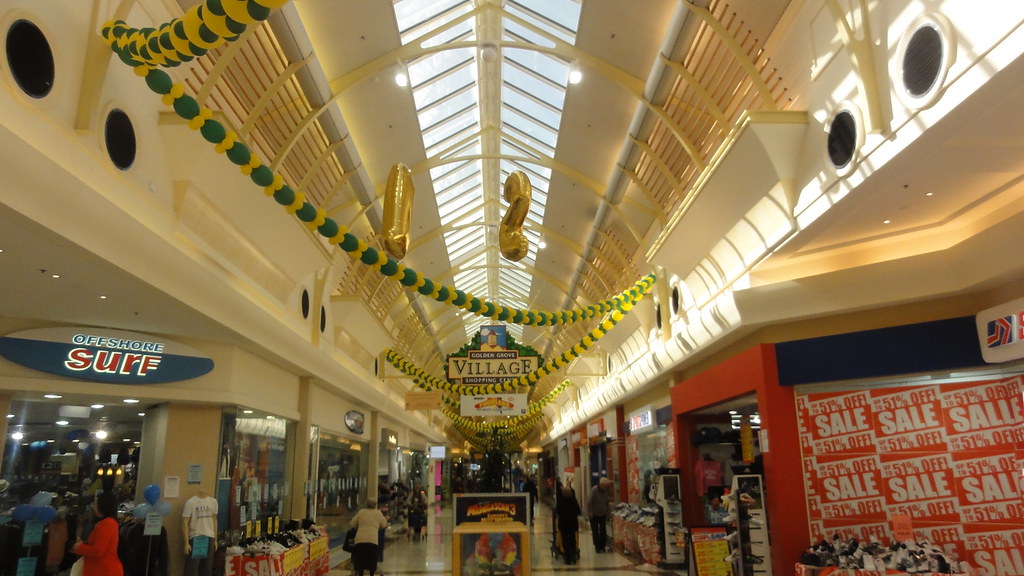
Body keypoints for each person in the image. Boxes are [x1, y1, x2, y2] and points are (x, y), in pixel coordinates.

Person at [72, 491, 123, 576]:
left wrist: (80, 547)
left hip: (104, 570)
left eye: (95, 503)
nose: (93, 506)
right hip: (102, 568)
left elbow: (98, 550)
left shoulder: (107, 524)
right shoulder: (109, 523)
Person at [182, 489, 218, 576]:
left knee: (207, 568)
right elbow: (184, 522)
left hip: (209, 537)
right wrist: (186, 543)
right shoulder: (190, 502)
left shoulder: (213, 502)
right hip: (196, 538)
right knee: (192, 569)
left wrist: (215, 539)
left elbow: (214, 520)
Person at [349, 498, 388, 576]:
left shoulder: (361, 512)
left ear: (366, 504)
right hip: (372, 540)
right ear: (375, 505)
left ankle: (360, 573)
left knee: (360, 560)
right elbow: (384, 524)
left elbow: (352, 524)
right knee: (372, 560)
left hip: (360, 540)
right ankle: (371, 574)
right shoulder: (378, 513)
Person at [554, 485, 581, 565]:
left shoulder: (560, 501)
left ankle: (567, 558)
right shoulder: (574, 501)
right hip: (572, 523)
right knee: (573, 539)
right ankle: (573, 556)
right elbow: (578, 511)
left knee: (565, 540)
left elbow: (557, 511)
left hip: (563, 524)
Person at [587, 477, 612, 552]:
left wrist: (608, 512)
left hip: (602, 513)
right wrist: (590, 511)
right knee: (595, 531)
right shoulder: (594, 490)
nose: (606, 487)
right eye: (605, 485)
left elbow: (607, 502)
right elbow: (589, 501)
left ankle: (603, 545)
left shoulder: (606, 491)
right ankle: (597, 546)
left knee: (603, 530)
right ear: (601, 485)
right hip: (594, 514)